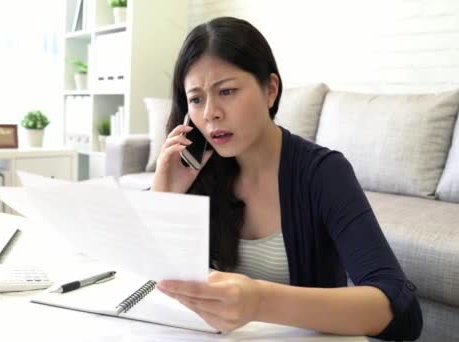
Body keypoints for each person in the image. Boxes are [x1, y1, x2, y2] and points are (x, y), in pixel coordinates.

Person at [152, 17, 422, 341]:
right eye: (196, 99)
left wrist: (259, 302)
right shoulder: (198, 174)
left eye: (227, 91)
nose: (210, 113)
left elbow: (402, 312)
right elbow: (153, 285)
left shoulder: (323, 173)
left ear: (270, 90)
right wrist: (165, 195)